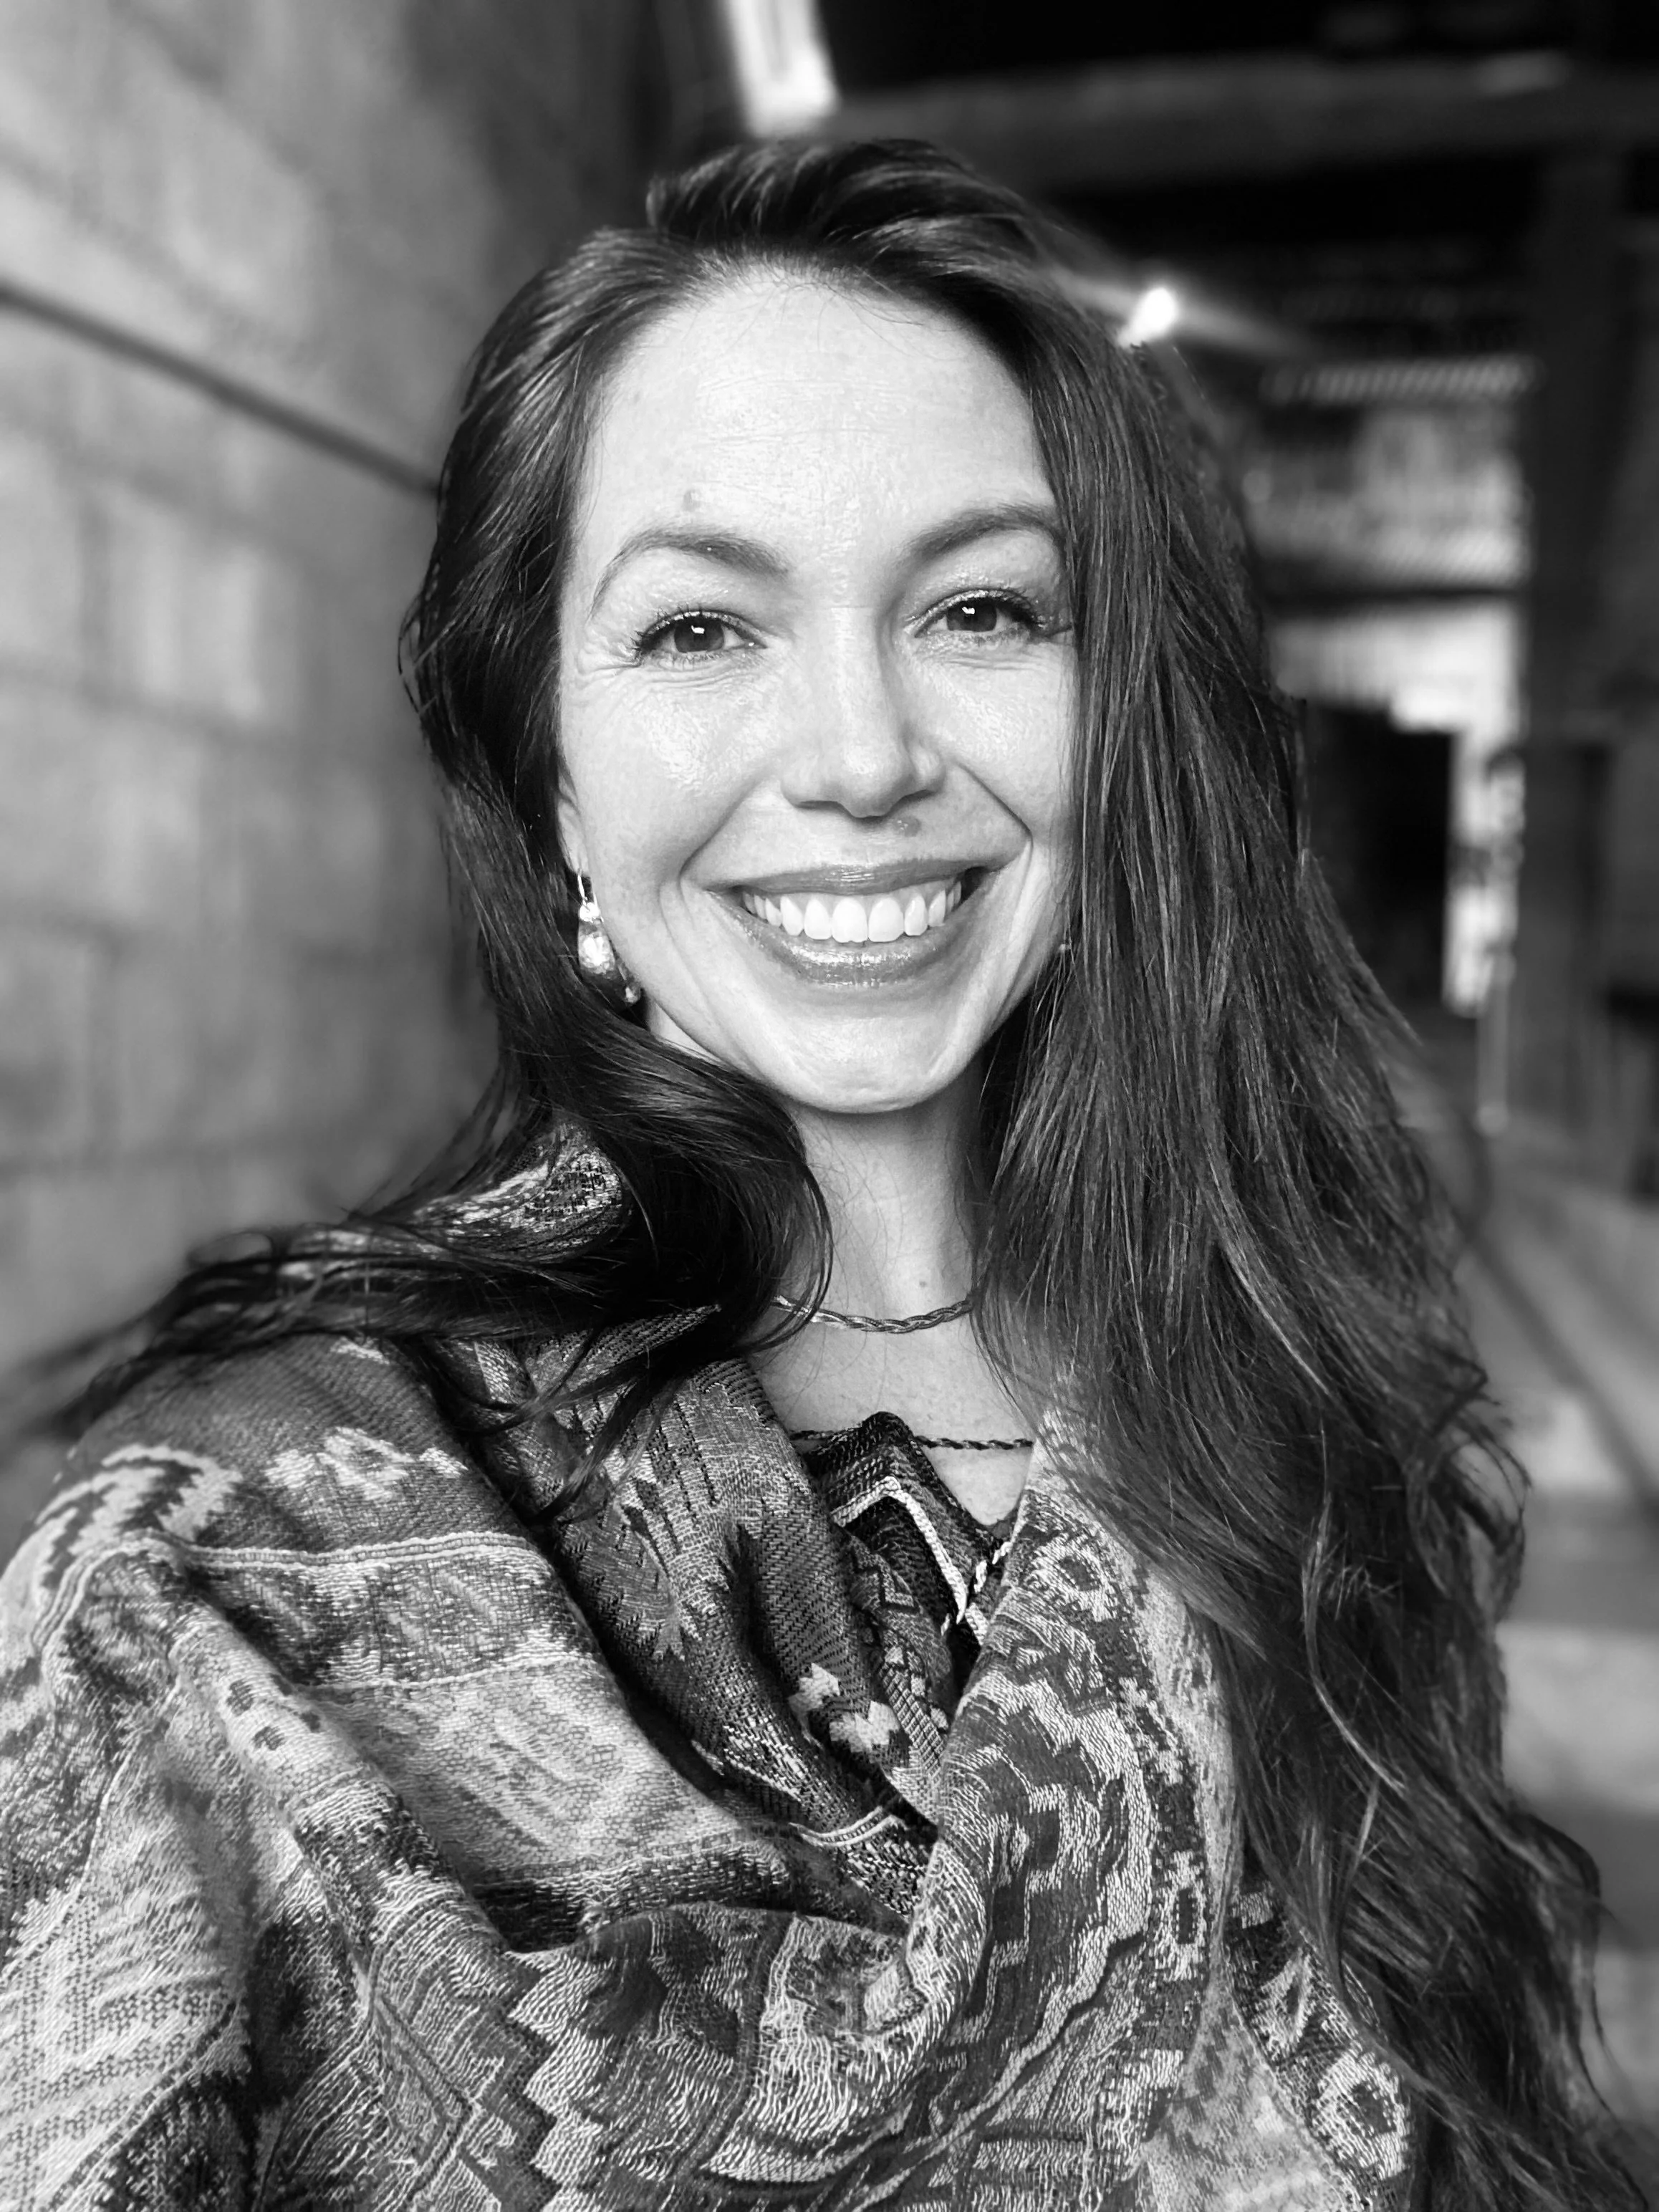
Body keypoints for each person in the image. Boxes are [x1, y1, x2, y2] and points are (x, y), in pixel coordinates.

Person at [0, 139, 1637, 2211]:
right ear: (553, 779)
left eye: (977, 608)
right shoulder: (218, 1574)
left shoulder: (1283, 1407)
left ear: (1113, 711)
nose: (860, 753)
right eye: (700, 631)